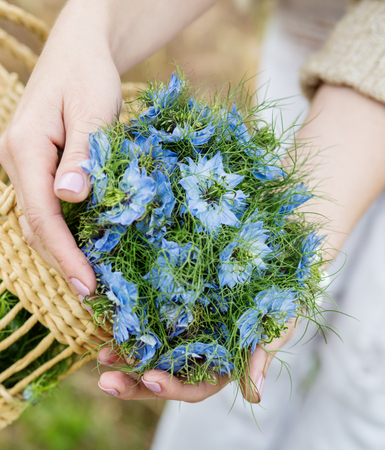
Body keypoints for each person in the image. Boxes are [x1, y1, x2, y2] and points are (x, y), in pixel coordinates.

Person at [1, 0, 385, 447]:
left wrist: (285, 233)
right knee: (239, 379)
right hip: (313, 21)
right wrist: (91, 26)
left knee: (366, 371)